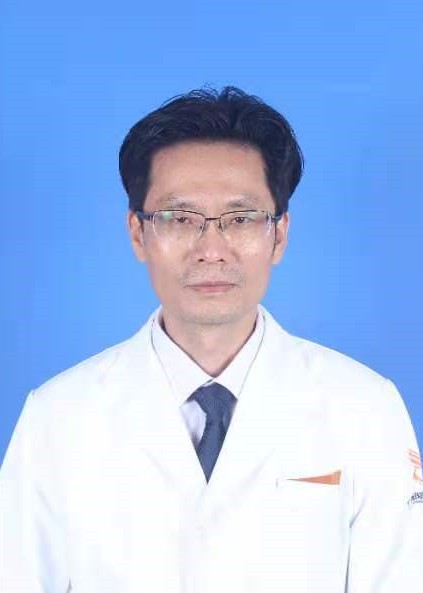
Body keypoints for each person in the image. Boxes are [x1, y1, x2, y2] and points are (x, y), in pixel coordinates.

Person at [0, 86, 422, 593]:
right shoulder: (56, 418)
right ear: (137, 233)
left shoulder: (365, 408)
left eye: (241, 219)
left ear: (279, 235)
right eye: (179, 219)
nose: (211, 250)